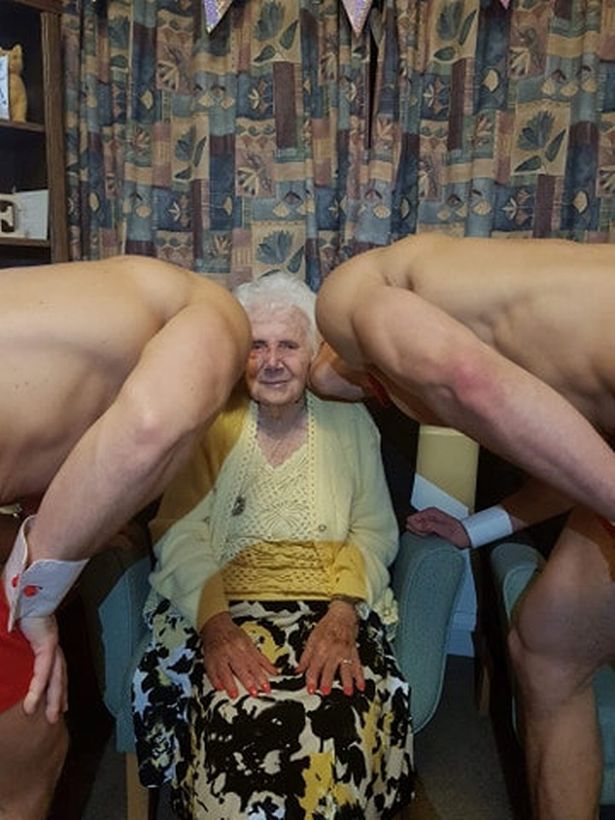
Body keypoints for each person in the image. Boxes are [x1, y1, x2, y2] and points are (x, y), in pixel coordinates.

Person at [312, 232, 615, 820]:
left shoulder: (354, 291)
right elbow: (577, 468)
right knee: (548, 649)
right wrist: (474, 530)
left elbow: (462, 378)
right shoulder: (515, 325)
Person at [132, 272, 414, 819]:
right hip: (222, 608)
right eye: (257, 346)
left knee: (338, 711)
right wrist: (216, 627)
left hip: (332, 606)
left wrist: (343, 614)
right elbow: (179, 531)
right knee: (234, 708)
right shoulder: (209, 422)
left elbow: (374, 529)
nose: (273, 361)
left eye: (288, 345)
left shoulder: (350, 423)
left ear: (311, 356)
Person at [0, 254, 251, 819]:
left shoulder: (108, 296)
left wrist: (63, 522)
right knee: (30, 761)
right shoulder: (219, 315)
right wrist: (36, 596)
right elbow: (150, 428)